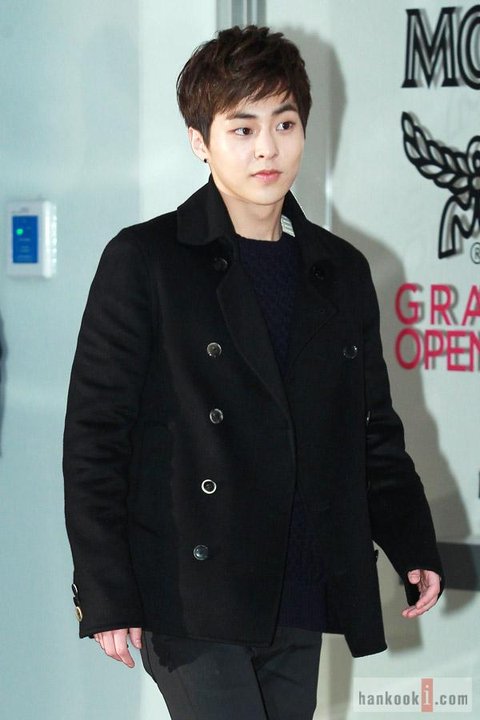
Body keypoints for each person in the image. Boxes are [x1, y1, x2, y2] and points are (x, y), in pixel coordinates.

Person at [63, 25, 443, 720]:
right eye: (242, 129)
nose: (267, 148)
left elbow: (369, 429)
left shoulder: (339, 271)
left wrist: (411, 538)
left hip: (298, 582)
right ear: (200, 141)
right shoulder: (147, 261)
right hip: (190, 590)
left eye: (284, 124)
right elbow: (95, 438)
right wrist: (106, 590)